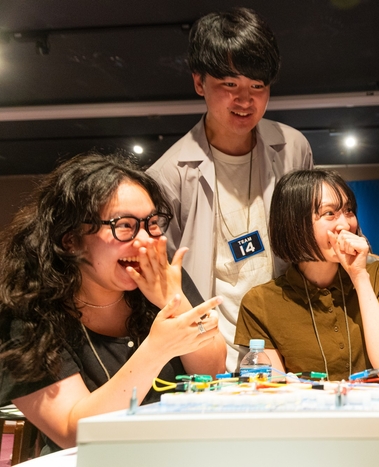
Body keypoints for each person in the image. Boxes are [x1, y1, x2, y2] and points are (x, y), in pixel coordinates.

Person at [0, 153, 226, 453]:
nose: (145, 241)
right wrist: (156, 349)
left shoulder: (161, 274)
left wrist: (174, 302)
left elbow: (214, 372)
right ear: (71, 240)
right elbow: (75, 434)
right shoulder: (27, 314)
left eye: (151, 223)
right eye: (125, 226)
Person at [146, 7, 313, 371]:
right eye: (230, 85)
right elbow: (166, 283)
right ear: (199, 82)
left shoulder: (293, 149)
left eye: (258, 86)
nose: (245, 100)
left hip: (287, 350)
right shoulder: (167, 175)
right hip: (210, 354)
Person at [234, 170, 379, 381]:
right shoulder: (259, 302)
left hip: (373, 402)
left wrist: (359, 276)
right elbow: (273, 389)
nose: (346, 225)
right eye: (329, 213)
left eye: (349, 211)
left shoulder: (378, 275)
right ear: (295, 224)